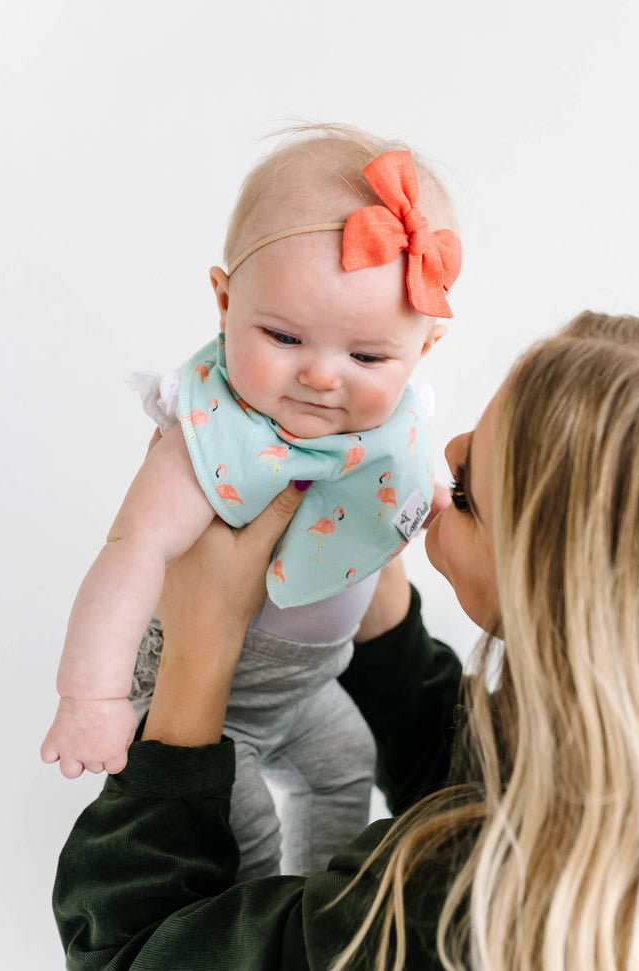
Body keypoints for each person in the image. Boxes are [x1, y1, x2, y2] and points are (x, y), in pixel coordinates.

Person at [52, 311, 639, 970]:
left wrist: (201, 644)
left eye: (474, 483)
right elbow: (479, 770)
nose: (444, 452)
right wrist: (374, 598)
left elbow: (133, 952)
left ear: (564, 612)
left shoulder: (450, 914)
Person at [41, 126, 462, 878]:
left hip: (304, 688)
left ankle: (323, 911)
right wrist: (91, 693)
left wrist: (416, 504)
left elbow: (381, 495)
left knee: (348, 767)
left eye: (366, 356)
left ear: (420, 351)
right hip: (202, 701)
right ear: (226, 299)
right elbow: (132, 548)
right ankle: (258, 916)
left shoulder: (387, 427)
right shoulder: (211, 434)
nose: (323, 377)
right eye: (284, 335)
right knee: (245, 835)